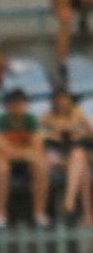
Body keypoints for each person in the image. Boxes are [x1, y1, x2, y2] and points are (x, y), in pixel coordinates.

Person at [0, 88, 49, 229]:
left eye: (21, 103)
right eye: (15, 104)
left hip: (26, 160)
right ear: (7, 106)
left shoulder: (31, 120)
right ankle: (0, 215)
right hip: (6, 159)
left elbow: (38, 146)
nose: (18, 107)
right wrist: (24, 153)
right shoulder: (0, 121)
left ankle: (39, 214)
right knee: (1, 169)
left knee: (41, 166)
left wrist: (25, 154)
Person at [41, 89, 93, 225]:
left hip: (74, 154)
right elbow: (39, 138)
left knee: (79, 158)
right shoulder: (48, 116)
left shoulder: (77, 113)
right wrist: (54, 134)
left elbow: (91, 133)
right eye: (59, 100)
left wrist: (79, 134)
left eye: (65, 100)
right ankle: (86, 213)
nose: (62, 103)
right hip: (56, 157)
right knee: (82, 167)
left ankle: (70, 201)